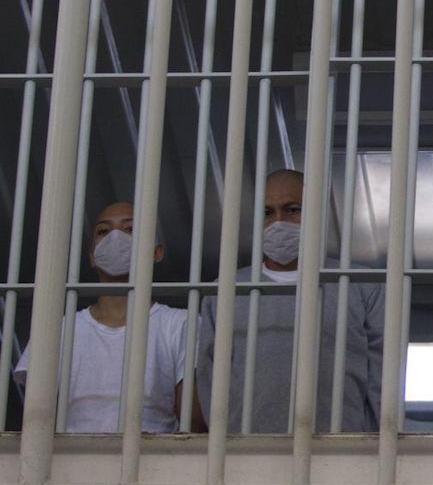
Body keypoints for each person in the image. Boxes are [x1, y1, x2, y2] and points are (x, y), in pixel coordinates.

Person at [196, 169, 385, 433]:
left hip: (341, 447)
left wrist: (371, 445)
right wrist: (225, 439)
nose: (278, 222)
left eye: (292, 210)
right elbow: (209, 376)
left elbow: (382, 375)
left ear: (317, 213)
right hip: (246, 447)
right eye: (267, 212)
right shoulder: (226, 289)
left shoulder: (361, 284)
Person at [15, 202, 200, 433]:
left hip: (153, 453)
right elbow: (36, 417)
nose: (115, 237)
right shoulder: (59, 328)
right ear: (92, 256)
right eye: (103, 231)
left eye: (130, 229)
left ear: (156, 252)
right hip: (71, 453)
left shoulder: (181, 324)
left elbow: (192, 421)